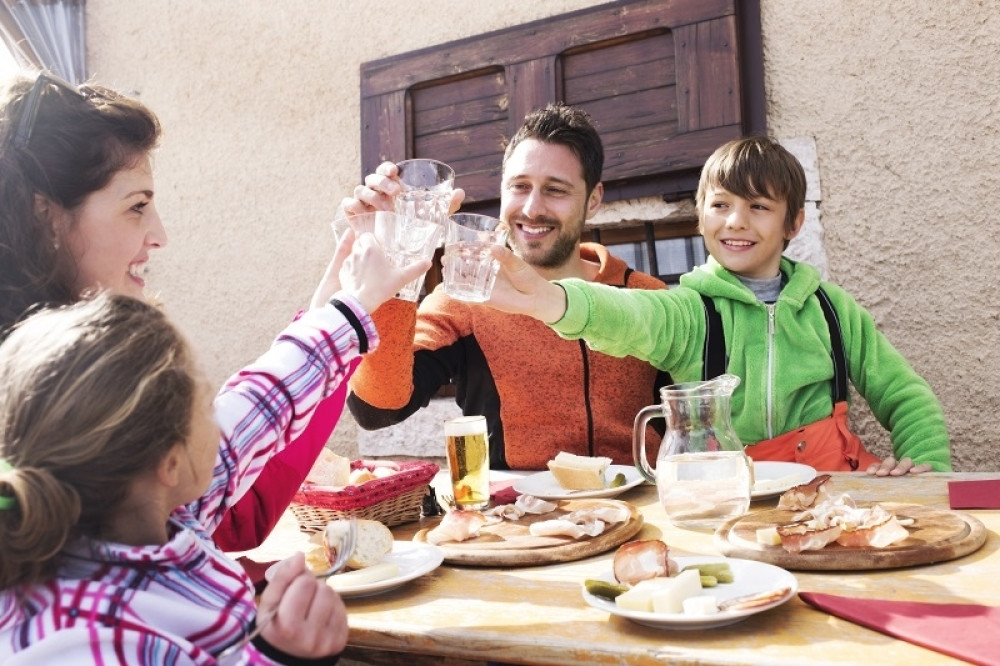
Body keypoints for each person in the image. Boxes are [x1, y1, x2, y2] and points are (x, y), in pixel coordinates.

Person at [0, 226, 429, 663]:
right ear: (170, 460)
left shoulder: (159, 507)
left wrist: (345, 304)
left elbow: (263, 400)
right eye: (206, 405)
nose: (222, 414)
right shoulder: (80, 639)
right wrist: (281, 656)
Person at [0, 70, 346, 551]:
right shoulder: (39, 388)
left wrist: (332, 316)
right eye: (136, 206)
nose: (160, 235)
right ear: (47, 215)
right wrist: (340, 320)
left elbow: (227, 512)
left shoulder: (114, 347)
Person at [484, 136, 952, 475]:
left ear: (794, 222)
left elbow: (907, 397)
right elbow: (625, 315)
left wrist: (927, 472)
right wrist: (551, 299)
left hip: (834, 497)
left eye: (759, 207)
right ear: (701, 216)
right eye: (720, 205)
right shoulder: (689, 310)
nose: (736, 222)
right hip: (730, 507)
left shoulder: (833, 310)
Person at [341, 103, 670, 470]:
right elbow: (376, 409)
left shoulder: (648, 295)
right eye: (520, 186)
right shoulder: (463, 297)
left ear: (593, 200)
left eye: (555, 190)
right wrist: (396, 268)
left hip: (640, 513)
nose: (532, 208)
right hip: (514, 518)